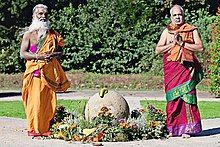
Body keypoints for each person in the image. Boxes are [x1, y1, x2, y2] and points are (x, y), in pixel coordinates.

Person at [20, 4, 70, 137]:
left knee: (49, 101)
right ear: (34, 16)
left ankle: (46, 128)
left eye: (45, 14)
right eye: (40, 14)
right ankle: (35, 129)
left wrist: (54, 55)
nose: (43, 16)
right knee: (35, 101)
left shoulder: (53, 34)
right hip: (35, 72)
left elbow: (60, 51)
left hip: (50, 73)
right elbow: (23, 53)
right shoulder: (29, 34)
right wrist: (39, 56)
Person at [156, 5, 204, 138]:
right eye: (175, 15)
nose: (178, 17)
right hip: (172, 70)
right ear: (171, 17)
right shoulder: (167, 31)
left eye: (180, 15)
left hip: (186, 70)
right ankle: (173, 129)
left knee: (187, 98)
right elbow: (158, 50)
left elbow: (200, 47)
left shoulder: (191, 30)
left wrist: (183, 44)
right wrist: (173, 44)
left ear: (183, 15)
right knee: (173, 100)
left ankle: (188, 129)